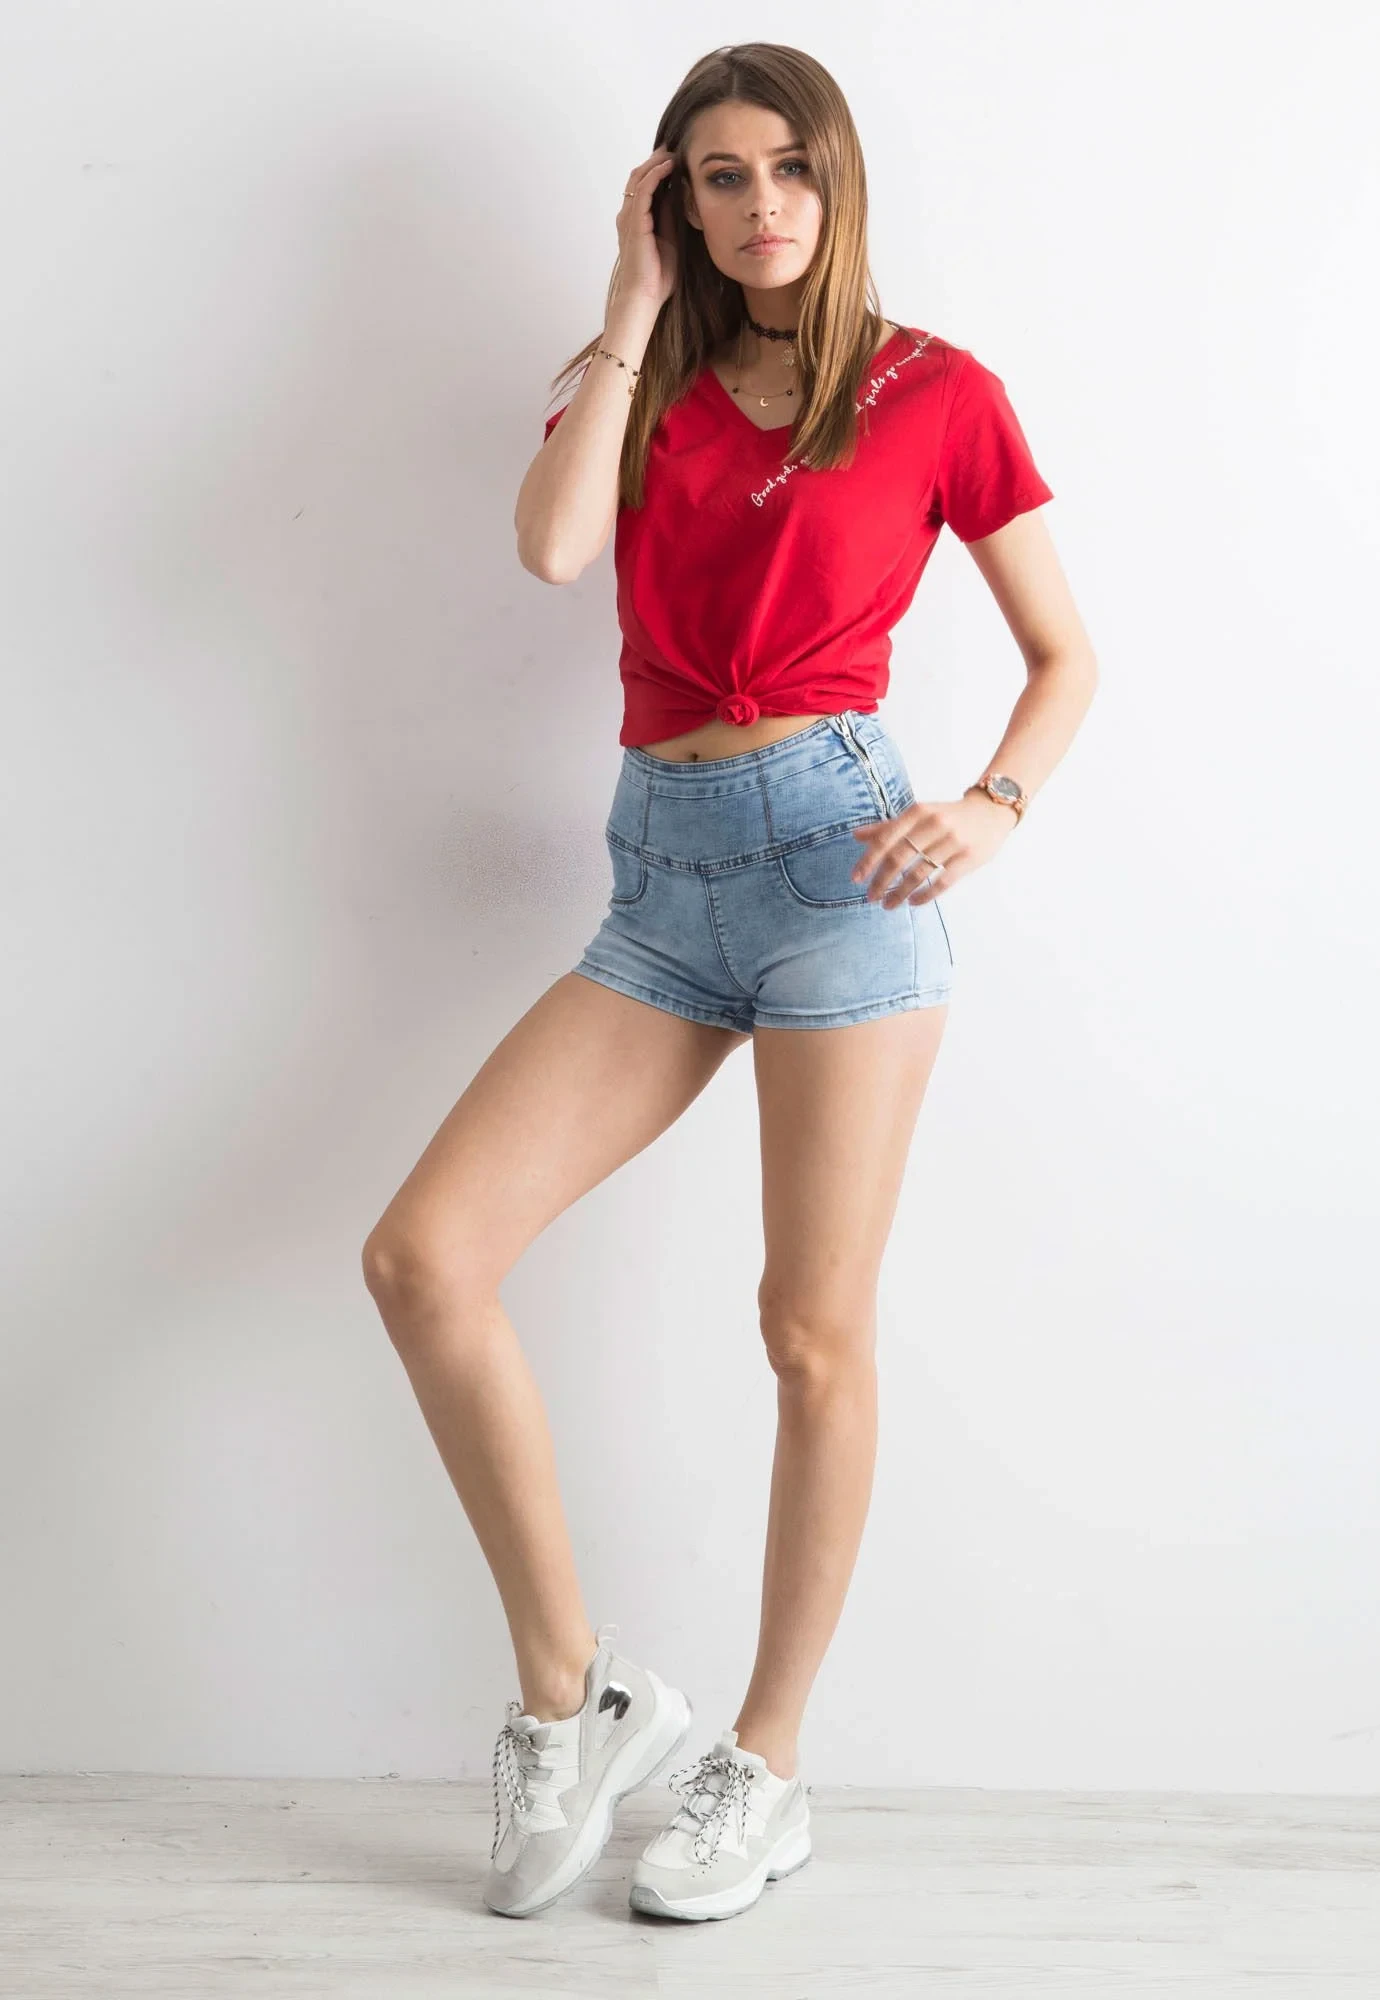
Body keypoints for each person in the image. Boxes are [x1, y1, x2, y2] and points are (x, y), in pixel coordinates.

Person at [363, 42, 1098, 1925]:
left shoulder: (937, 393)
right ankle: (576, 1690)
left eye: (790, 168)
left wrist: (993, 806)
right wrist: (627, 304)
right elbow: (551, 549)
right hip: (662, 885)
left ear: (837, 182)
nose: (761, 204)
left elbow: (1064, 654)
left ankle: (762, 1764)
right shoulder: (652, 382)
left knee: (808, 1329)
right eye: (717, 176)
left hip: (843, 868)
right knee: (426, 1258)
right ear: (671, 201)